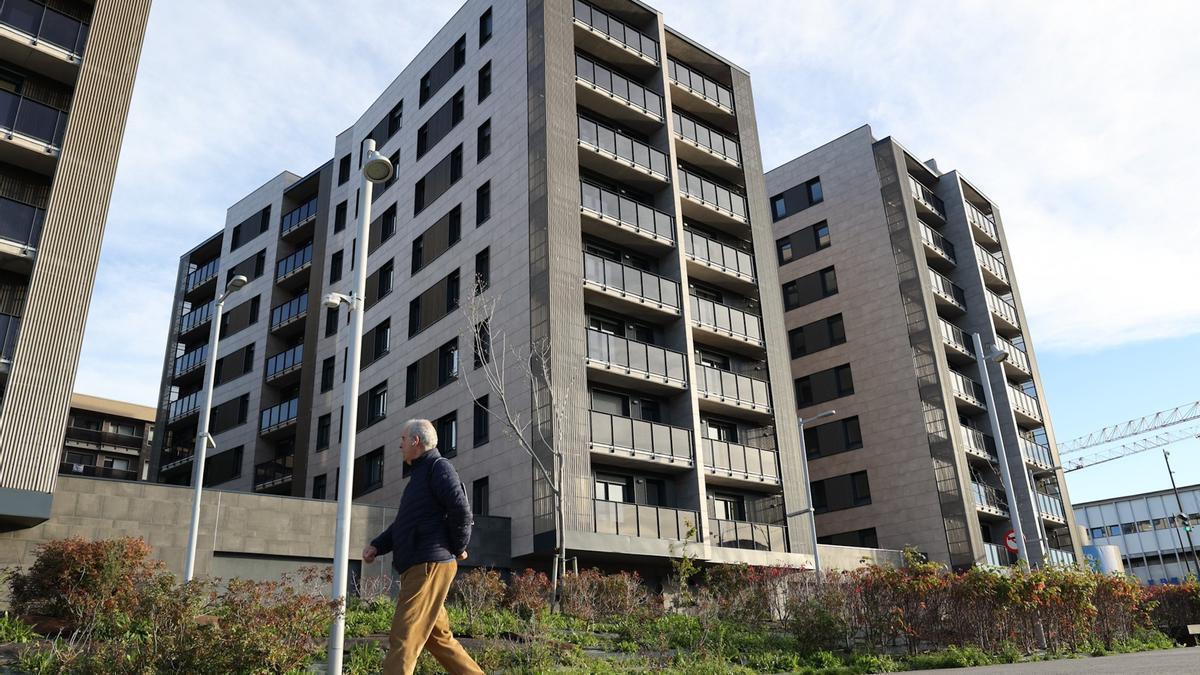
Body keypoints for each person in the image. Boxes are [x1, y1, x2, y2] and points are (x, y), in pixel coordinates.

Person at [362, 419, 483, 675]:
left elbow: (461, 509)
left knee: (403, 637)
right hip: (421, 565)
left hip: (427, 565)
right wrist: (377, 546)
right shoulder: (419, 476)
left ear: (416, 441)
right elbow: (404, 525)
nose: (400, 445)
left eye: (403, 440)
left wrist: (458, 545)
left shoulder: (439, 468)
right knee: (437, 638)